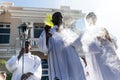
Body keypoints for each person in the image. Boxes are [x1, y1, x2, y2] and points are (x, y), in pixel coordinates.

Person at [38, 12, 86, 80]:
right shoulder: (48, 31)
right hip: (58, 64)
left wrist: (83, 34)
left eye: (61, 17)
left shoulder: (68, 32)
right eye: (57, 17)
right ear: (52, 20)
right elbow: (42, 48)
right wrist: (46, 35)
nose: (60, 19)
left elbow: (78, 44)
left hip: (72, 63)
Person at [81, 12, 120, 80]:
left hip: (110, 54)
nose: (93, 19)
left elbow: (115, 46)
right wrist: (98, 39)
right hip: (100, 57)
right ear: (88, 21)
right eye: (91, 17)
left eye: (94, 17)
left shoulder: (102, 28)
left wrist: (108, 37)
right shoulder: (87, 33)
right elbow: (88, 48)